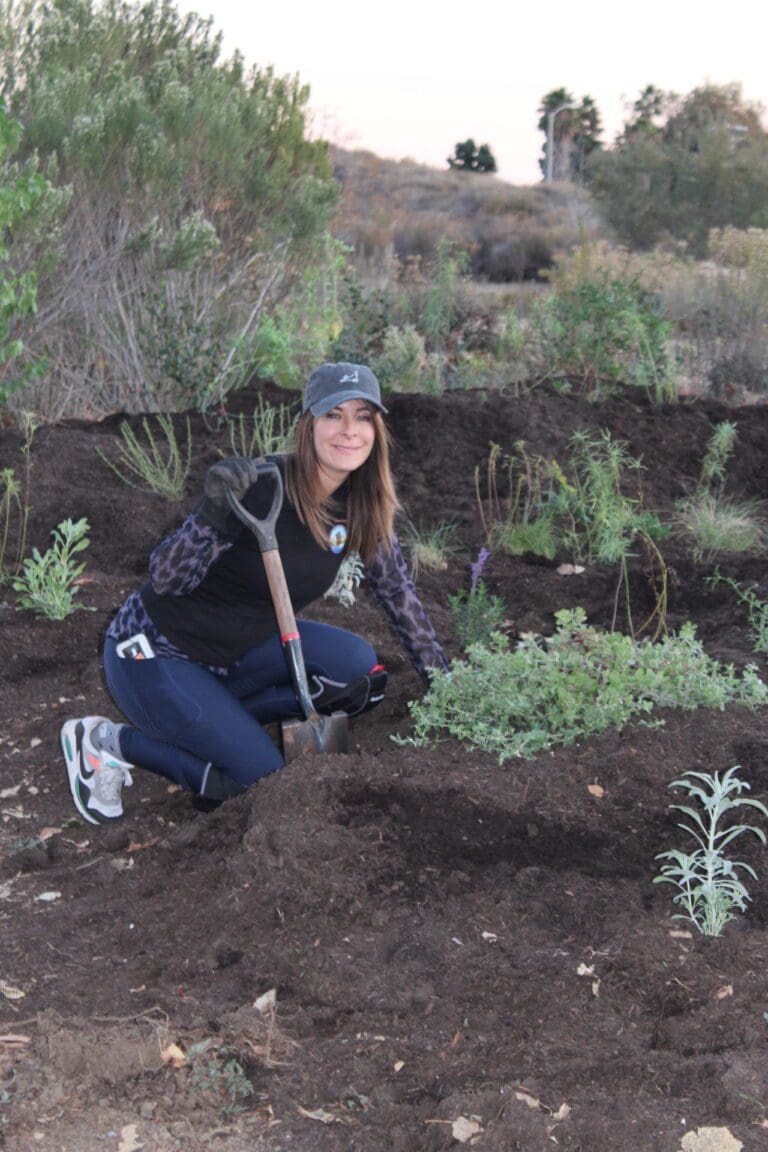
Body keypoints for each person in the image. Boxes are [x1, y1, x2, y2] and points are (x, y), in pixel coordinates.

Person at [61, 362, 449, 825]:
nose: (349, 430)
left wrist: (447, 688)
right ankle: (106, 743)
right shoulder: (261, 487)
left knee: (360, 675)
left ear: (377, 428)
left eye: (363, 416)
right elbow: (165, 579)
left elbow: (398, 594)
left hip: (240, 653)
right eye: (334, 414)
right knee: (264, 784)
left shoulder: (362, 503)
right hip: (155, 656)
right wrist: (213, 516)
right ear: (309, 424)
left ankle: (216, 721)